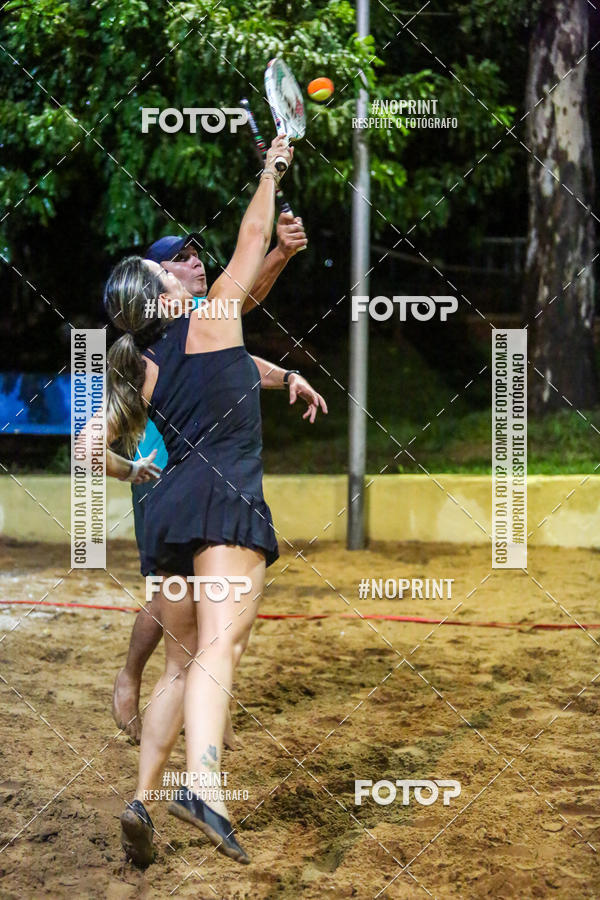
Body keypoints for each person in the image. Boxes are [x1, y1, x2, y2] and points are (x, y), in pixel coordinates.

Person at [102, 136, 300, 866]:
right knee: (223, 644)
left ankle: (142, 799)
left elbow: (93, 450)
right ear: (163, 296)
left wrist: (133, 477)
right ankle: (204, 786)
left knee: (182, 663)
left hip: (174, 513)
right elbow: (252, 237)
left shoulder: (145, 365)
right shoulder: (211, 317)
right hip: (225, 502)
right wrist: (271, 169)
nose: (185, 267)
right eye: (168, 269)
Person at [111, 218, 327, 744]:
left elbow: (233, 353)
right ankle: (136, 678)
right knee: (169, 592)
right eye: (181, 258)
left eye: (194, 253)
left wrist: (287, 376)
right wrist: (275, 252)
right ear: (158, 280)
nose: (195, 261)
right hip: (164, 462)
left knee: (201, 591)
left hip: (200, 467)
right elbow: (243, 295)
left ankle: (200, 696)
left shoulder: (198, 321)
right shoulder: (156, 333)